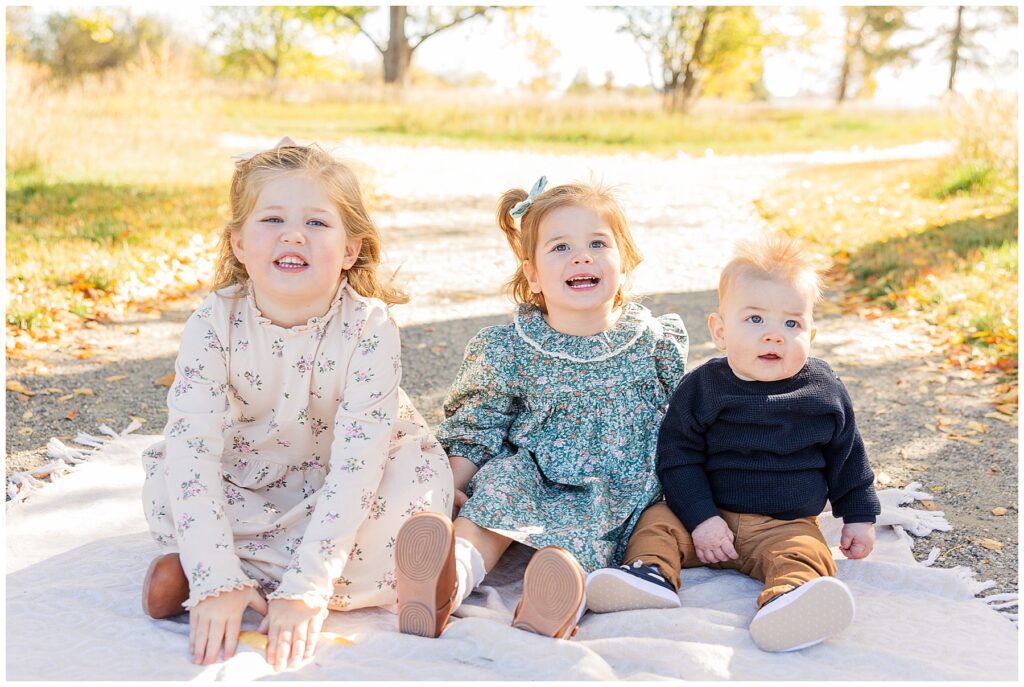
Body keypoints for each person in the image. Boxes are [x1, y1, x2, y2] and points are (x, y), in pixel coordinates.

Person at [139, 138, 452, 670]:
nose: (293, 234)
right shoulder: (212, 323)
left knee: (413, 491)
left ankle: (240, 574)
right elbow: (194, 451)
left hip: (350, 481)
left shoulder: (369, 328)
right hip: (251, 480)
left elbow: (359, 466)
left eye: (317, 223)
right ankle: (214, 576)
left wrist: (308, 588)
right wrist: (216, 577)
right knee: (172, 479)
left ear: (351, 250)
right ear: (238, 243)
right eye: (273, 219)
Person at [393, 177, 689, 641]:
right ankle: (446, 580)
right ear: (531, 275)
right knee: (496, 498)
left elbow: (684, 421)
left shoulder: (654, 341)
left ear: (625, 262)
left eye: (598, 243)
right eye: (560, 248)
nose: (582, 256)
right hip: (533, 470)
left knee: (587, 534)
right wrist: (446, 485)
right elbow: (478, 425)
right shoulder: (510, 349)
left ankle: (550, 599)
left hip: (616, 485)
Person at [586, 233, 880, 652]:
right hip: (705, 517)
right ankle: (648, 574)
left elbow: (848, 457)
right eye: (755, 319)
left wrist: (858, 515)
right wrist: (702, 518)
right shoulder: (703, 388)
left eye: (791, 323)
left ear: (811, 335)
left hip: (784, 524)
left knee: (808, 552)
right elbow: (678, 458)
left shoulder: (822, 391)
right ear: (720, 331)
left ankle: (791, 598)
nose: (774, 335)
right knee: (655, 523)